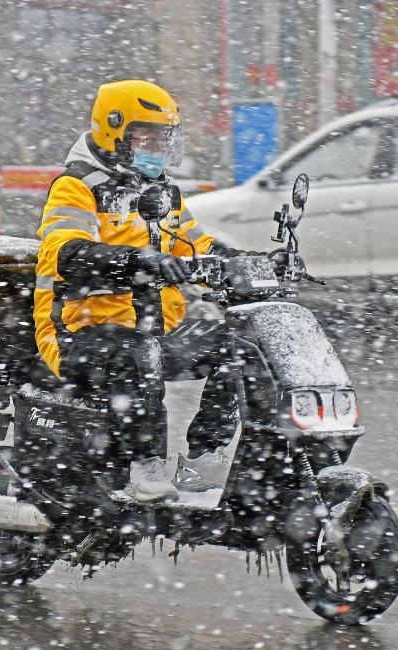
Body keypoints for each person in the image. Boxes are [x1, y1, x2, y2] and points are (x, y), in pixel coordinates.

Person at [32, 79, 242, 503]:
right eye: (145, 136)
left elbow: (194, 245)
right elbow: (65, 251)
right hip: (79, 335)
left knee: (239, 342)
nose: (157, 146)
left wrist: (242, 263)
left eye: (164, 137)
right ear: (113, 131)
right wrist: (135, 260)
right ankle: (144, 466)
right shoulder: (77, 186)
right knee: (136, 352)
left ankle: (204, 458)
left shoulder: (161, 192)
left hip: (152, 331)